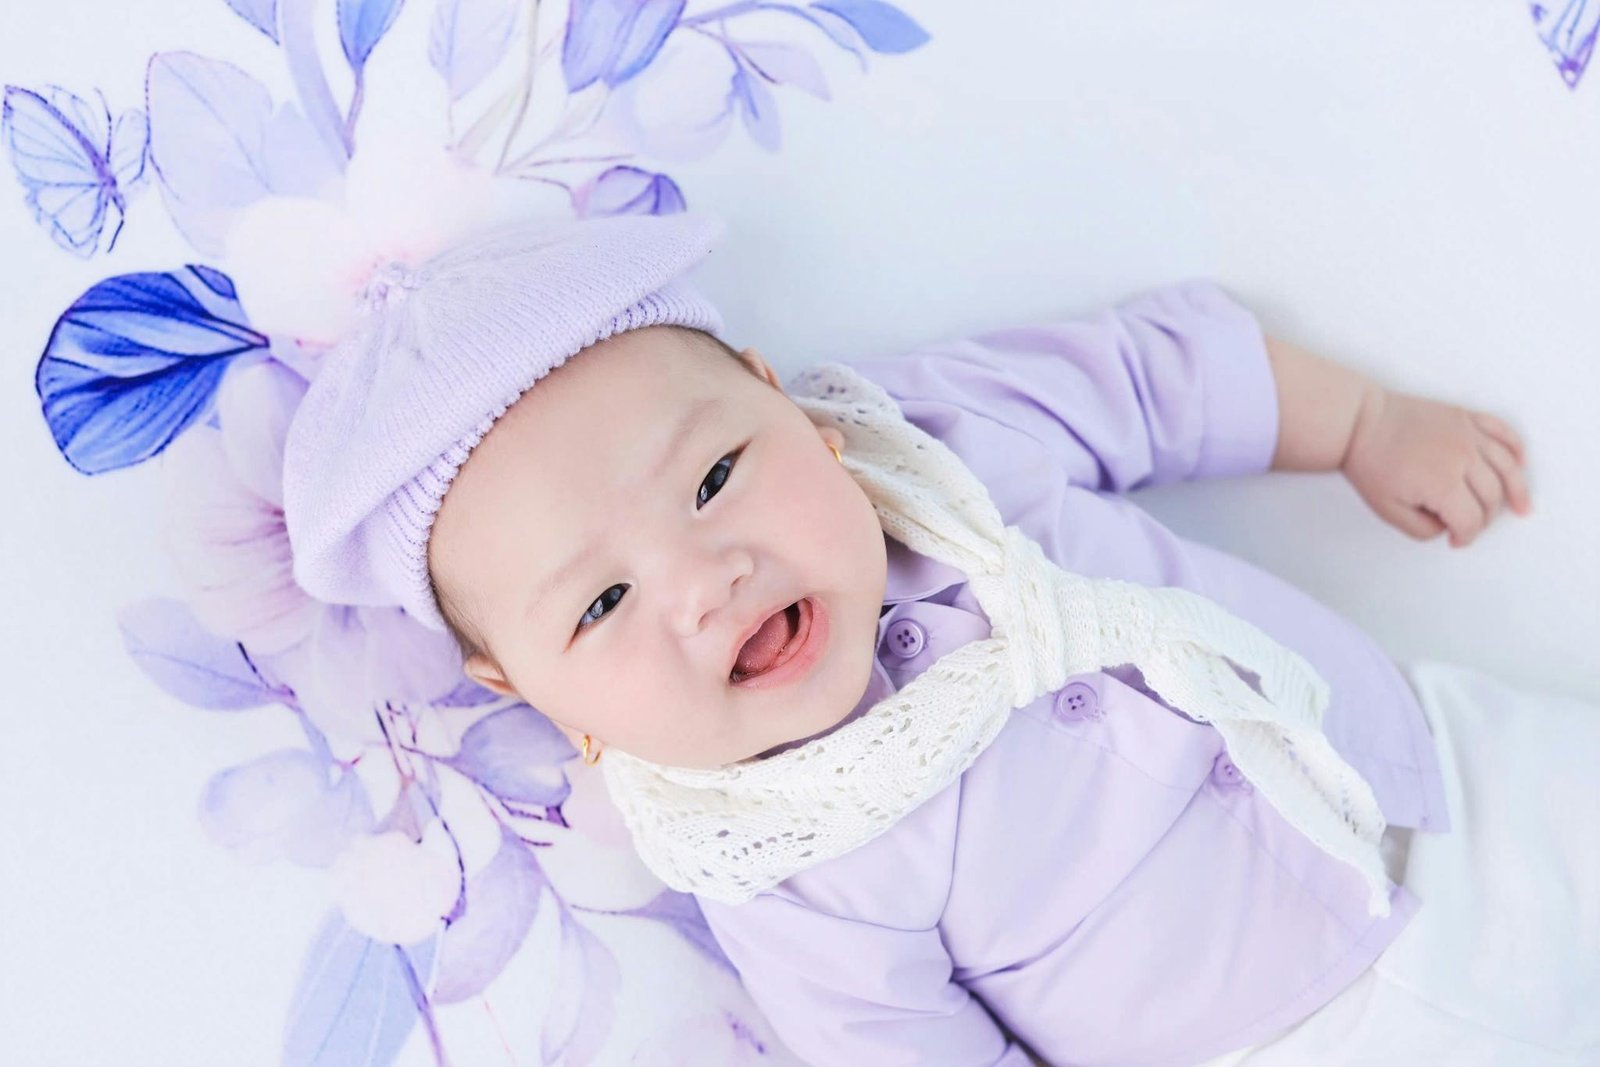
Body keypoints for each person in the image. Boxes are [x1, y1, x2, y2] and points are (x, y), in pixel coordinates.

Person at [280, 211, 1598, 1066]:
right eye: (603, 604)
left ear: (785, 404)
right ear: (536, 694)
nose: (706, 579)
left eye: (714, 477)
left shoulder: (942, 449)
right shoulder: (781, 869)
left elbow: (1148, 379)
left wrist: (1360, 425)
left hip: (1451, 792)